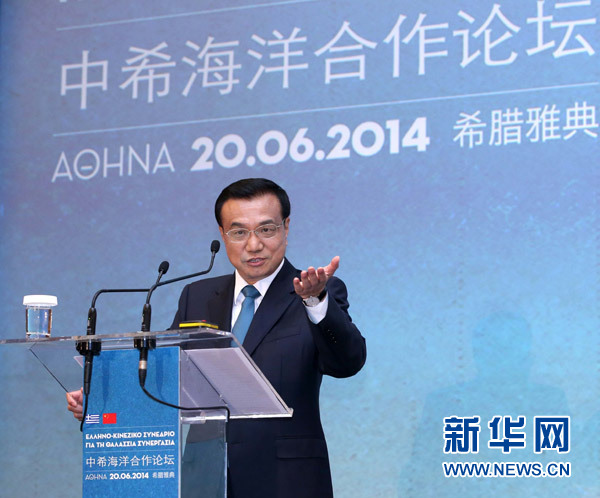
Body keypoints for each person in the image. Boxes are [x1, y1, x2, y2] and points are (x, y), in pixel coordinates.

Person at [67, 177, 366, 497]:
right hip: (204, 477)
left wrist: (315, 302)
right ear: (223, 235)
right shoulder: (197, 295)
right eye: (239, 232)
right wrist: (104, 400)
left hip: (285, 479)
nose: (253, 245)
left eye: (266, 229)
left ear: (286, 228)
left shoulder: (315, 292)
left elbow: (347, 362)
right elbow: (164, 375)